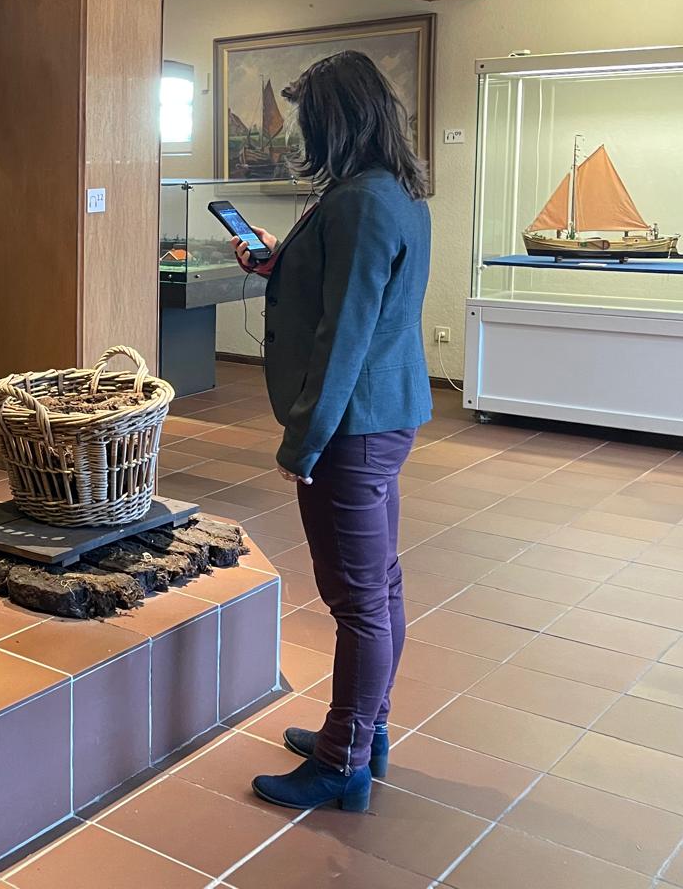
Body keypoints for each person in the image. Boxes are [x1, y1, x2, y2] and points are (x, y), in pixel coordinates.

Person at [230, 50, 432, 814]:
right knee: (379, 587)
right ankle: (363, 732)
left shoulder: (357, 202)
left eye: (308, 120)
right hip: (385, 414)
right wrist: (278, 264)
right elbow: (353, 294)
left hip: (351, 427)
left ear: (336, 121)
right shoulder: (394, 192)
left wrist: (304, 440)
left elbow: (345, 332)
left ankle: (342, 763)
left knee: (357, 601)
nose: (300, 135)